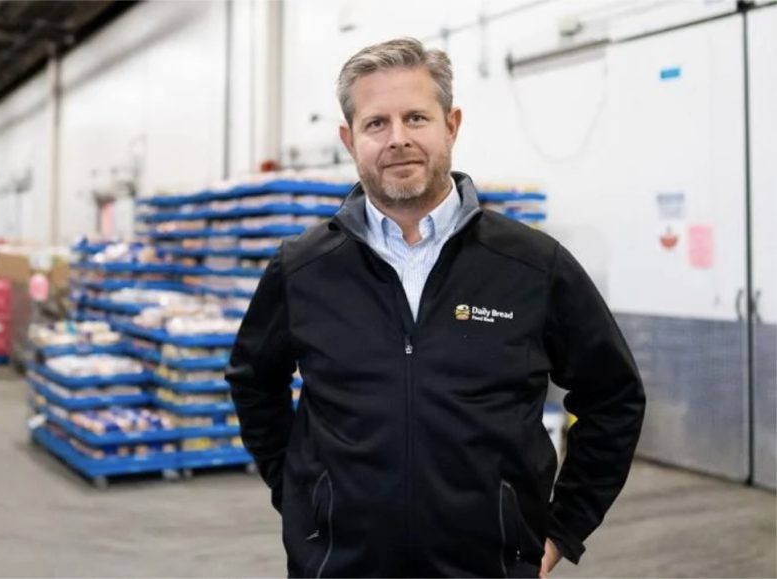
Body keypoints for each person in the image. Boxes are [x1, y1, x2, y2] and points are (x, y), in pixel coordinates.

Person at [227, 37, 646, 578]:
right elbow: (253, 380)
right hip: (339, 565)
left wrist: (564, 526)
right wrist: (303, 496)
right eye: (376, 123)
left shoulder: (531, 266)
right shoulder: (303, 269)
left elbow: (614, 396)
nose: (398, 139)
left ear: (452, 125)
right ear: (348, 139)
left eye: (416, 118)